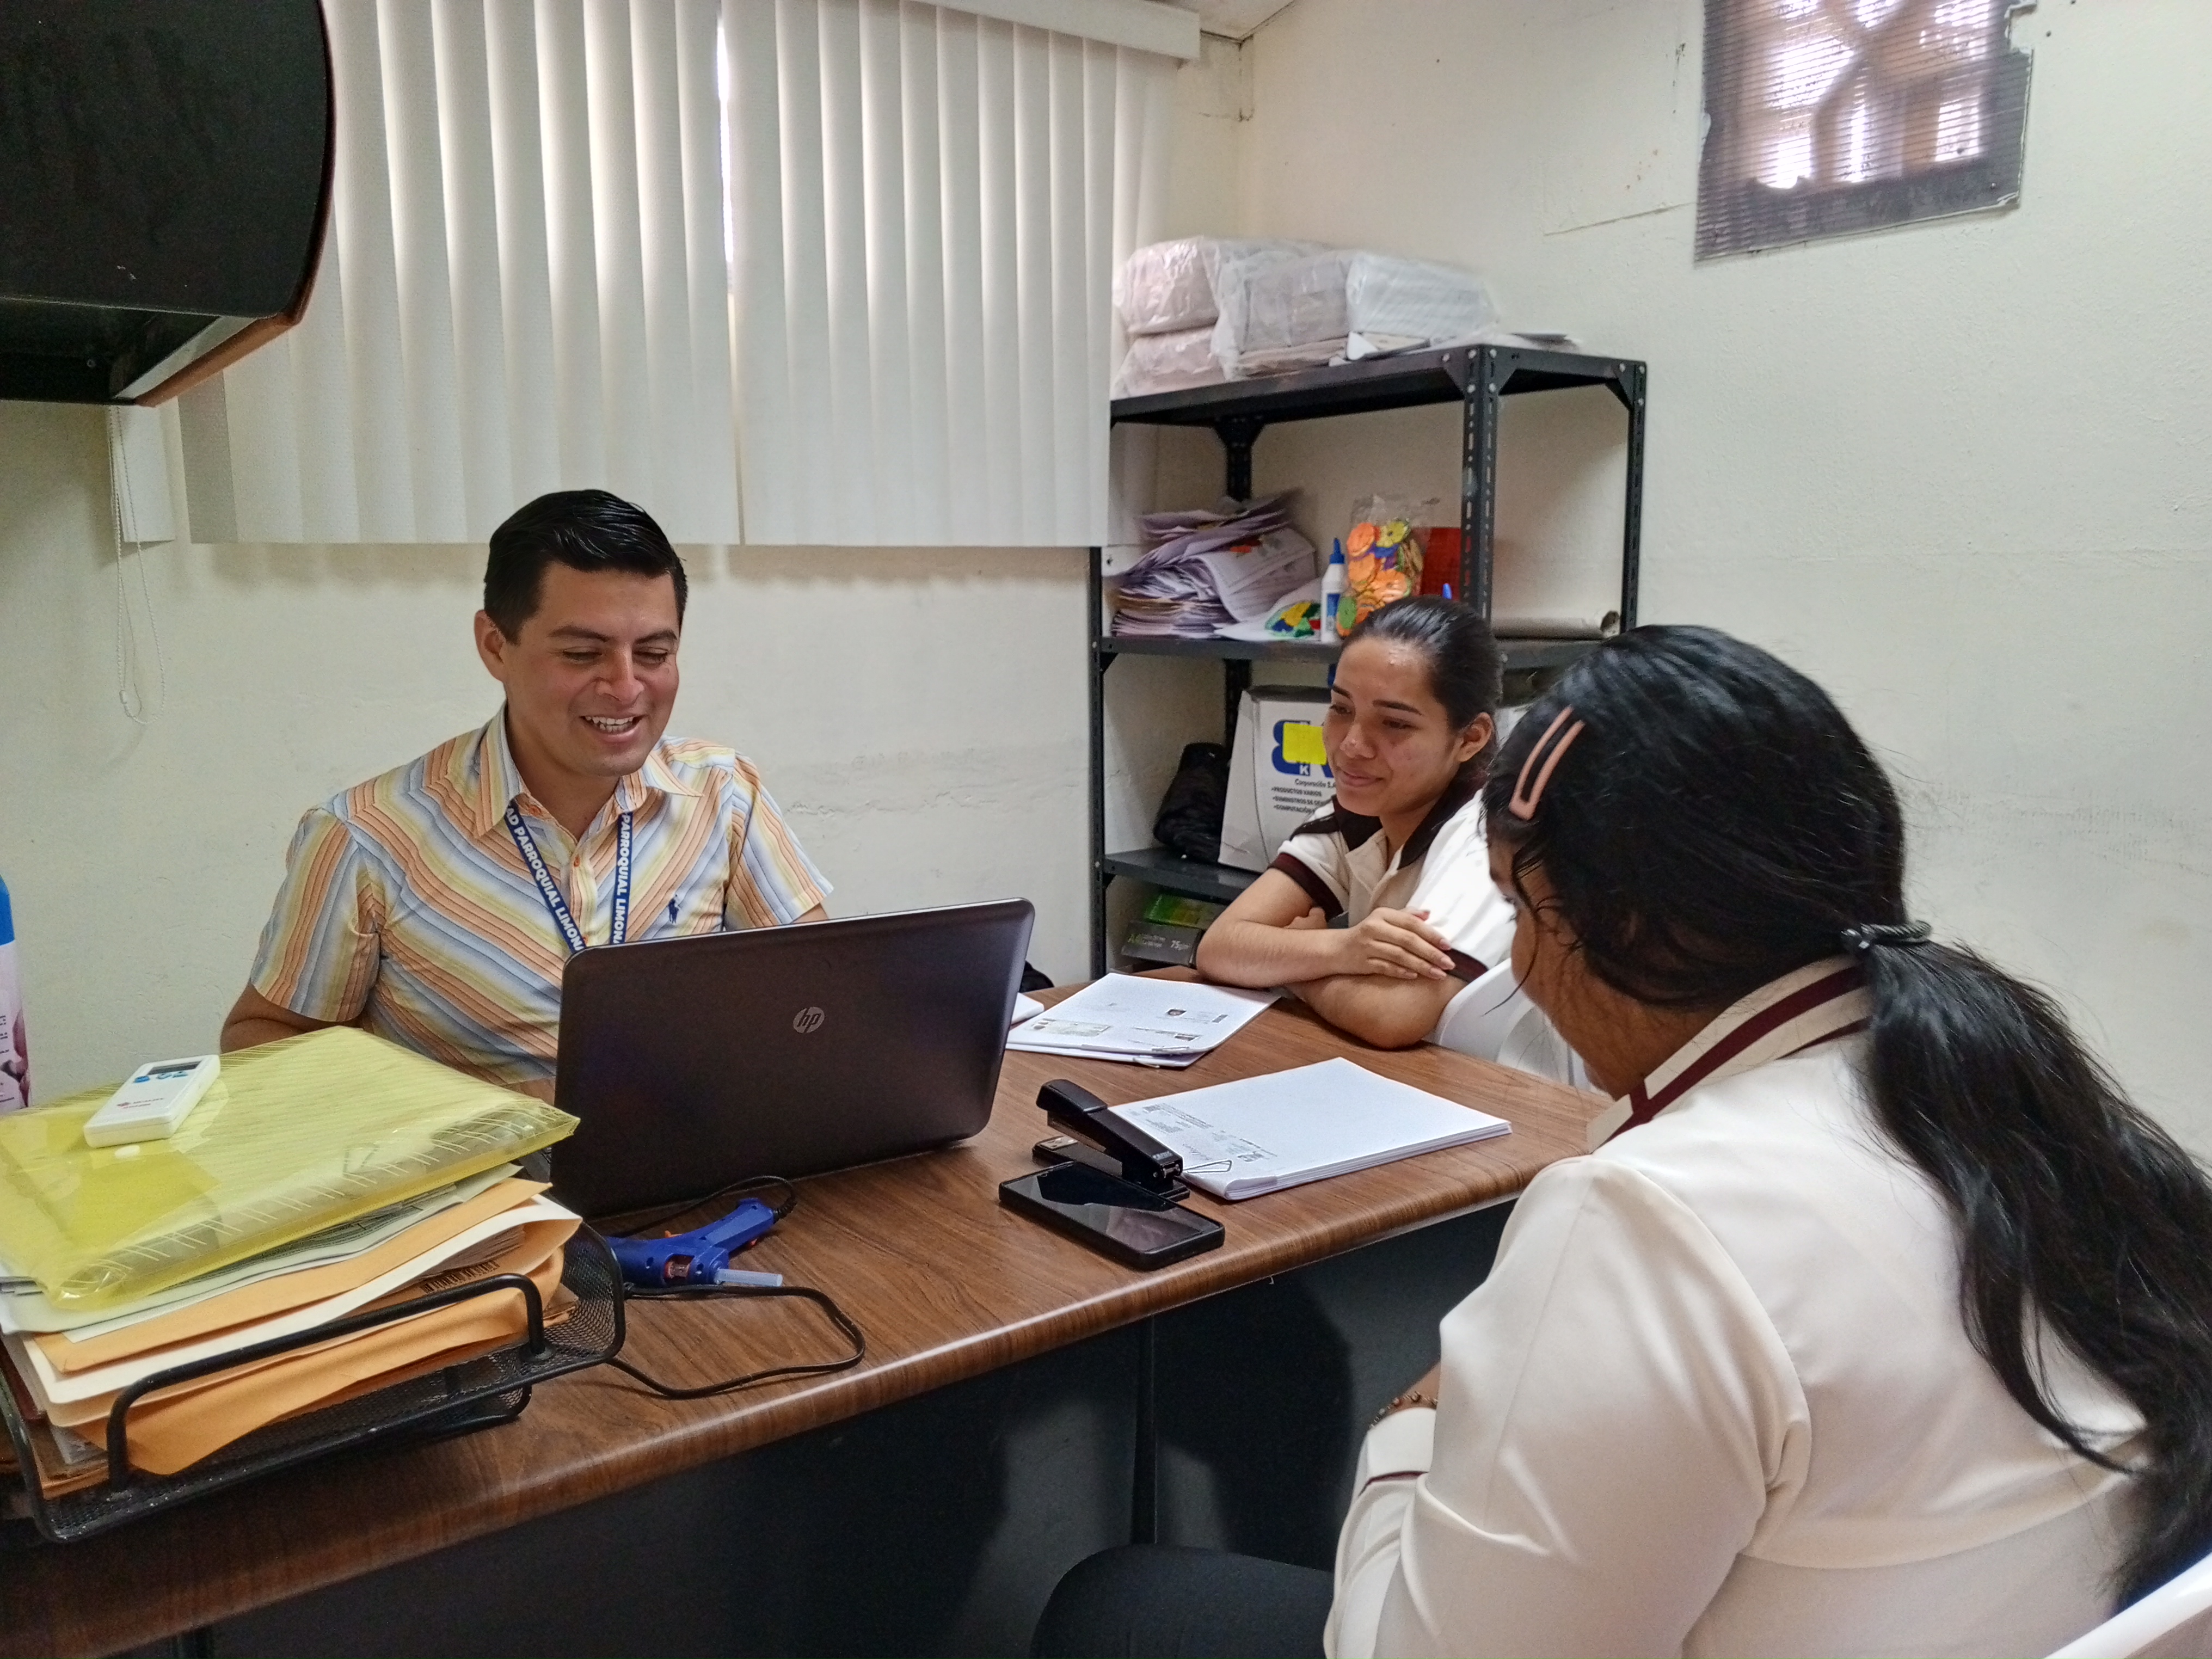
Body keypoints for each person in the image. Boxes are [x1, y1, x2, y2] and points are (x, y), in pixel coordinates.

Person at [1035, 625, 2212, 1659]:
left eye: (1519, 910)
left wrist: (1412, 1426)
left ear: (1624, 926)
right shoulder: (2026, 1110)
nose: (1520, 968)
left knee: (1121, 1600)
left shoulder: (1646, 1216)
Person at [222, 490, 830, 1096]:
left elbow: (819, 995)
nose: (625, 687)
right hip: (486, 1159)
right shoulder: (366, 838)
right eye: (581, 654)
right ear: (495, 646)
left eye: (653, 654)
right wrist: (450, 1114)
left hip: (692, 1145)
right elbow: (261, 1038)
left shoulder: (722, 794)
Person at [1193, 597, 1569, 1074]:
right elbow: (1221, 947)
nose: (1352, 745)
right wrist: (1342, 949)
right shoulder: (1361, 808)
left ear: (1470, 738)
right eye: (1341, 708)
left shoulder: (1486, 839)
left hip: (1505, 1098)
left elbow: (1393, 1015)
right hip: (1401, 1079)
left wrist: (1296, 968)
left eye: (1395, 723)